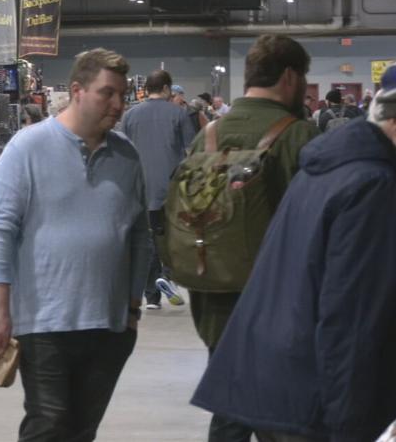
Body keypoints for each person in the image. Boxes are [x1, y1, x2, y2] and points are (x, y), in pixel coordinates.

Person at [191, 71, 396, 442]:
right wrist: (349, 426)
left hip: (275, 375)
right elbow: (350, 317)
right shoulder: (373, 184)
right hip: (311, 395)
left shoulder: (329, 167)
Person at [0, 47, 150, 441]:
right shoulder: (28, 147)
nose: (118, 104)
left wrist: (132, 307)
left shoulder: (127, 155)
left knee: (82, 431)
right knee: (49, 425)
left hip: (109, 325)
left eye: (122, 95)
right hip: (44, 322)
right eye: (107, 93)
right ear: (77, 90)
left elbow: (139, 233)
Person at [186, 34, 319, 442]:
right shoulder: (301, 137)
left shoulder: (205, 137)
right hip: (282, 309)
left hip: (214, 301)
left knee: (228, 414)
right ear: (291, 77)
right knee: (285, 422)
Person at [122, 70, 194, 310]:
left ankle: (151, 296)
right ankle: (166, 275)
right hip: (171, 190)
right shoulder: (178, 114)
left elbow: (124, 154)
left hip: (140, 190)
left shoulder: (130, 116)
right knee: (172, 239)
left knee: (147, 240)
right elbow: (190, 152)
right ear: (165, 89)